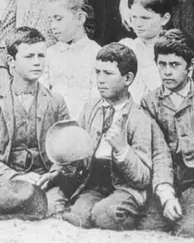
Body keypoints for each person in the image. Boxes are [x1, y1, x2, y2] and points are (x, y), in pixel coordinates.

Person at [0, 26, 74, 218]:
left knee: (53, 210)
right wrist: (15, 177)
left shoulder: (56, 102)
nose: (37, 63)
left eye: (41, 56)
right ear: (11, 61)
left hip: (42, 181)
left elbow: (67, 154)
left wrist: (53, 174)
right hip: (3, 180)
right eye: (29, 56)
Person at [65, 42, 170, 231]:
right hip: (95, 183)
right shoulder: (91, 108)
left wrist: (123, 149)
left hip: (126, 187)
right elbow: (78, 150)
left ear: (128, 78)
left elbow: (143, 178)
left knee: (104, 216)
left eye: (108, 73)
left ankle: (136, 214)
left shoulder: (139, 118)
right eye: (97, 72)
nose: (100, 80)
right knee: (78, 217)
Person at [141, 30, 194, 237]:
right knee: (148, 228)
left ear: (191, 65)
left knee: (189, 229)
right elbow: (157, 153)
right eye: (162, 64)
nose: (167, 72)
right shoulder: (150, 102)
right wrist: (165, 193)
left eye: (175, 65)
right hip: (165, 177)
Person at [45, 0, 100, 119]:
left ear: (80, 19)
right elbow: (43, 94)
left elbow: (98, 98)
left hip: (86, 123)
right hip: (55, 123)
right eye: (50, 20)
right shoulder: (49, 54)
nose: (53, 26)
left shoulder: (96, 52)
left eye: (58, 19)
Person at [121, 0, 172, 100]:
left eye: (145, 18)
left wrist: (145, 57)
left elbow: (167, 94)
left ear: (164, 18)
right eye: (134, 17)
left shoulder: (173, 50)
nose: (138, 24)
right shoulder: (127, 46)